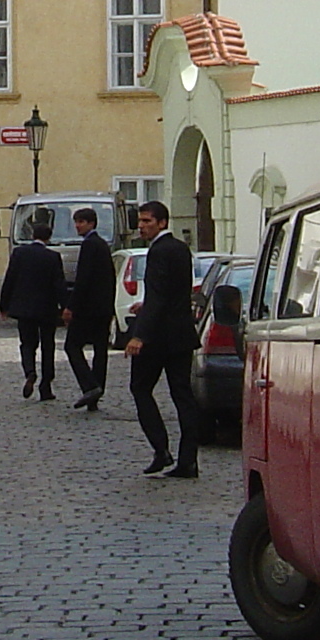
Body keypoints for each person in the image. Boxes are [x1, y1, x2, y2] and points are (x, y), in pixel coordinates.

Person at [124, 199, 202, 478]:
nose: (141, 226)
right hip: (181, 334)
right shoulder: (181, 249)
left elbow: (158, 296)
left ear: (162, 223)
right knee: (183, 396)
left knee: (140, 388)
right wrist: (145, 305)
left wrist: (139, 335)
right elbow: (173, 291)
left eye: (147, 221)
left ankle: (161, 448)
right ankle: (188, 459)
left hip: (158, 337)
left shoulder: (157, 251)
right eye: (141, 221)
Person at [0, 208, 67, 400]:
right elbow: (59, 285)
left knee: (27, 344)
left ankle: (29, 372)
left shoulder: (20, 253)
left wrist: (4, 305)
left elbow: (9, 279)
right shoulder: (53, 257)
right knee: (48, 346)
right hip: (46, 309)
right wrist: (65, 307)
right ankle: (46, 385)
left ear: (32, 235)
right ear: (49, 237)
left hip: (24, 309)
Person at [63, 205, 115, 409]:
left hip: (88, 309)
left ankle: (89, 385)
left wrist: (71, 306)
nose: (77, 226)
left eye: (81, 222)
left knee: (72, 346)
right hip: (102, 308)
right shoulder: (102, 245)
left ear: (91, 223)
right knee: (100, 350)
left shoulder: (90, 245)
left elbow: (83, 279)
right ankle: (96, 392)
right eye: (76, 222)